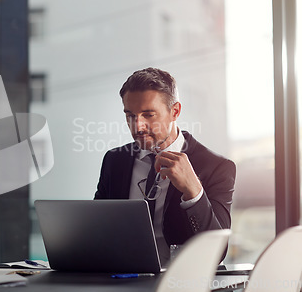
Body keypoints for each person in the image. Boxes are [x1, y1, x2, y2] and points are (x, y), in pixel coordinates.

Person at [94, 67, 235, 265]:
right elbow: (97, 231)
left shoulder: (217, 167)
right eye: (130, 116)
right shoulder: (114, 161)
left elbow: (216, 252)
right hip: (123, 281)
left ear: (174, 111)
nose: (138, 126)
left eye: (148, 115)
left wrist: (194, 192)